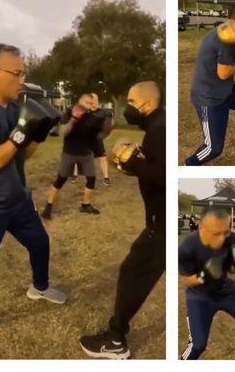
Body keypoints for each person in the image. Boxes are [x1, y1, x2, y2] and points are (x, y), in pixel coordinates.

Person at [79, 81, 165, 359]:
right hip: (160, 221)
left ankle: (116, 339)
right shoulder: (158, 125)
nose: (128, 107)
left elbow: (163, 174)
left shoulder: (159, 129)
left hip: (161, 225)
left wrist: (133, 164)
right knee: (134, 270)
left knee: (132, 272)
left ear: (147, 104)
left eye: (131, 101)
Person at [0, 43, 67, 304]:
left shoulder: (13, 109)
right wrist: (21, 133)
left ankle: (39, 288)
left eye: (23, 73)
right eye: (16, 73)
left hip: (18, 200)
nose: (22, 80)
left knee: (40, 243)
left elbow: (23, 156)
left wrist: (38, 135)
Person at [185, 4, 235, 166]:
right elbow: (223, 73)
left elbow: (225, 66)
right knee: (214, 148)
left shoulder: (227, 31)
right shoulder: (226, 38)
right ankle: (190, 165)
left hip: (226, 90)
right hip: (209, 98)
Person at [179, 208, 235, 360]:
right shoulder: (186, 248)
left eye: (225, 232)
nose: (222, 238)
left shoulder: (228, 238)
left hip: (226, 292)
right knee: (198, 345)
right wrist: (204, 276)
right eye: (216, 234)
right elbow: (186, 280)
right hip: (200, 297)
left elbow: (230, 271)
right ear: (201, 227)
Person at [41, 93, 103, 219]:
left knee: (91, 179)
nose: (88, 105)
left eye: (91, 103)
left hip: (86, 153)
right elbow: (64, 132)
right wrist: (73, 119)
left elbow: (97, 135)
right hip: (69, 152)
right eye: (86, 102)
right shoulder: (69, 113)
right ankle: (48, 207)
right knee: (60, 180)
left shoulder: (91, 116)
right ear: (80, 100)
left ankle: (86, 205)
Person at [71, 95, 113, 187]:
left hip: (97, 140)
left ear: (97, 101)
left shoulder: (104, 113)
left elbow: (107, 126)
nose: (94, 102)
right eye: (91, 100)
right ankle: (75, 175)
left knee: (102, 158)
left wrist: (101, 135)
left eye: (95, 99)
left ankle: (106, 178)